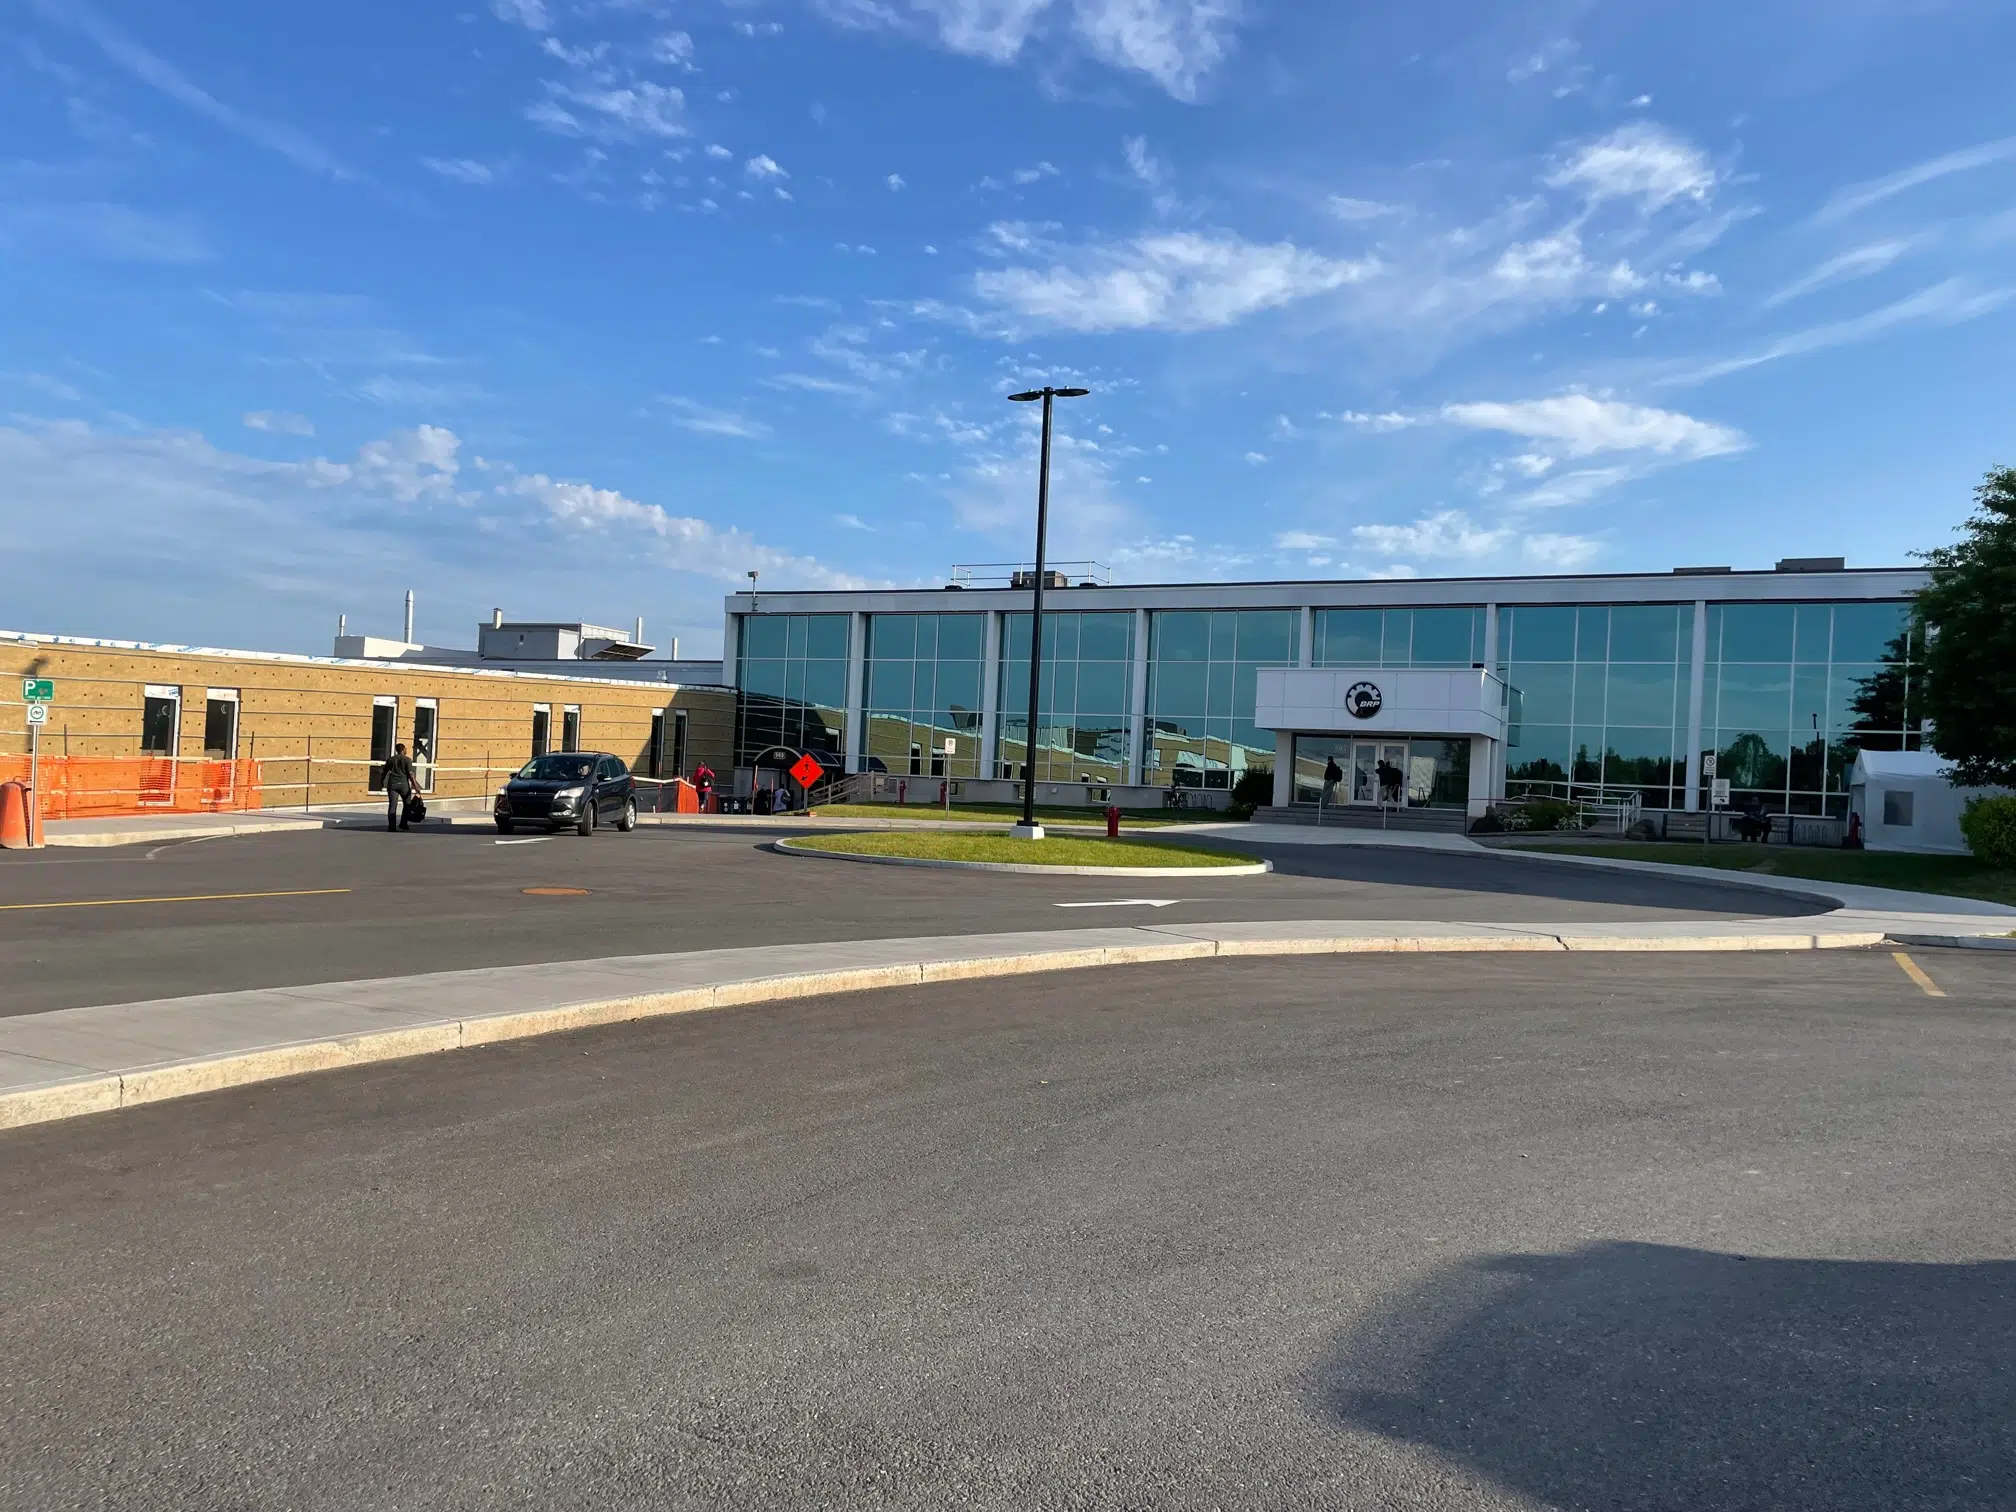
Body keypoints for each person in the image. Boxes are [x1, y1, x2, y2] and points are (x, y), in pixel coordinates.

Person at [383, 742, 418, 832]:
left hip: (392, 785)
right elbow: (410, 774)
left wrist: (382, 781)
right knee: (407, 805)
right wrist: (416, 787)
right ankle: (403, 824)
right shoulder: (407, 760)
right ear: (403, 749)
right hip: (404, 785)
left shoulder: (390, 759)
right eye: (405, 749)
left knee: (392, 806)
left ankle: (392, 826)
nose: (406, 750)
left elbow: (384, 771)